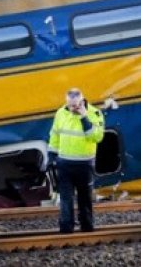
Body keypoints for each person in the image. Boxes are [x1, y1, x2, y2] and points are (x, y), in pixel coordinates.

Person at [48, 88, 104, 233]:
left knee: (84, 197)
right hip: (64, 163)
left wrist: (84, 117)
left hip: (85, 164)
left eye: (76, 105)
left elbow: (97, 137)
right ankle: (66, 228)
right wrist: (51, 156)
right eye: (70, 105)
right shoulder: (61, 113)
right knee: (66, 198)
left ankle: (86, 226)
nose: (72, 108)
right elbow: (55, 135)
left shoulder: (94, 113)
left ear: (82, 101)